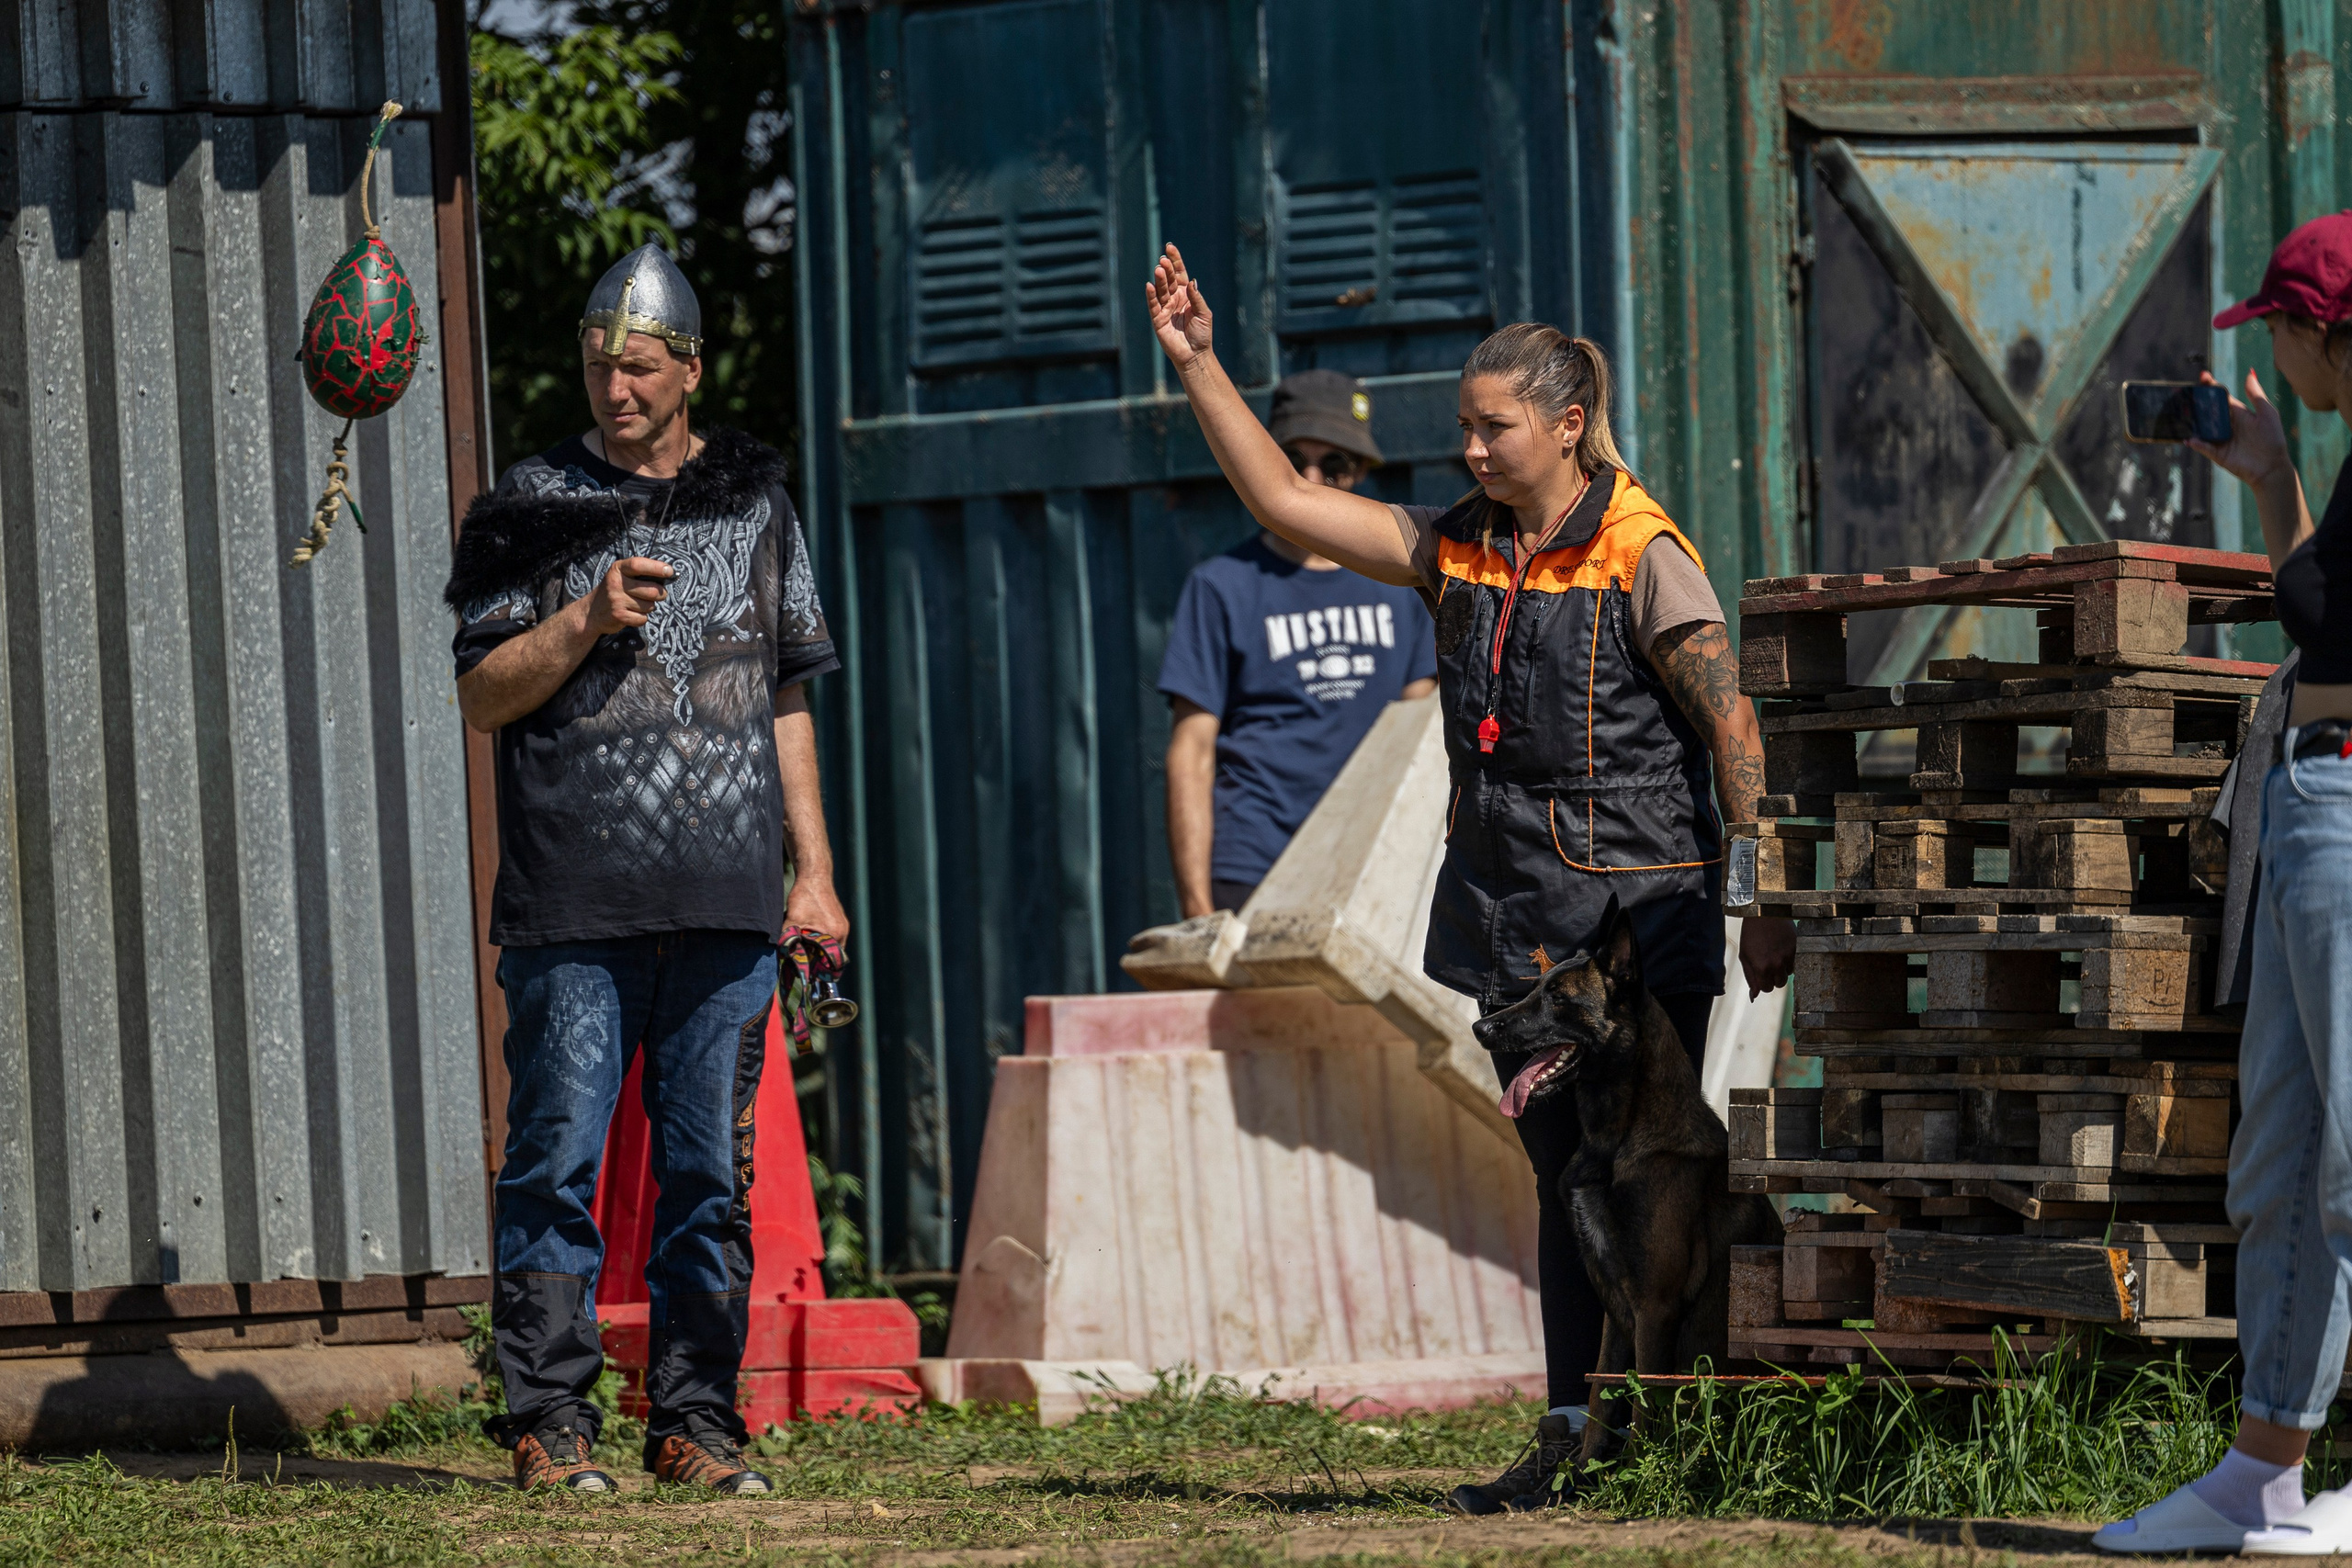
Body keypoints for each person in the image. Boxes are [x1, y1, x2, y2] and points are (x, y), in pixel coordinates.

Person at [1143, 243, 1795, 1513]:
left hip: (1637, 926)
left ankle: (1663, 1426)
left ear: (1565, 423)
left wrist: (1762, 890)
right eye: (1464, 428)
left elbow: (1733, 727)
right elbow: (1285, 503)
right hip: (1516, 924)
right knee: (1558, 1175)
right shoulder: (1460, 546)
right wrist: (1199, 363)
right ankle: (1571, 1429)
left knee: (1651, 1173)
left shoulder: (1642, 546)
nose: (1474, 451)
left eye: (1494, 428)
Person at [444, 243, 849, 1495]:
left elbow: (785, 697)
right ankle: (548, 1420)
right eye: (598, 364)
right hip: (575, 896)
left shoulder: (757, 502)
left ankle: (694, 1421)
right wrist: (583, 618)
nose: (614, 385)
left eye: (639, 365)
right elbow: (479, 693)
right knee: (555, 1158)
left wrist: (815, 875)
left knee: (706, 1174)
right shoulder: (528, 502)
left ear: (689, 368)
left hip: (726, 899)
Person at [2095, 213, 2352, 1555]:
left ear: (2321, 331)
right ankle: (2265, 1471)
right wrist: (2275, 480)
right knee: (2285, 1155)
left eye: (2283, 335)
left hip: (2351, 795)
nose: (2278, 363)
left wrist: (2275, 486)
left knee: (2351, 1158)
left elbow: (2331, 617)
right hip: (2316, 790)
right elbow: (2324, 601)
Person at [1159, 369, 1439, 915]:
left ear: (1359, 471)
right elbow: (1190, 753)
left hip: (1371, 868)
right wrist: (1197, 908)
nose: (1311, 478)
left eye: (1334, 464)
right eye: (1292, 461)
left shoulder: (1405, 583)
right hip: (1255, 868)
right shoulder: (1221, 587)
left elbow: (1417, 742)